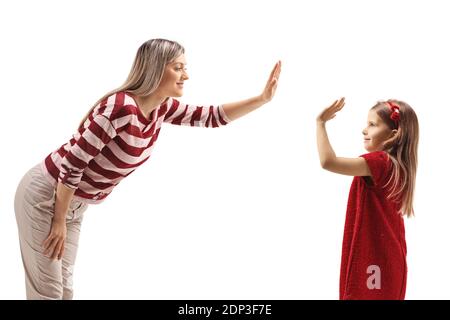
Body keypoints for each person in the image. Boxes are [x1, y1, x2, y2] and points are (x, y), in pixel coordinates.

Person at [14, 38, 282, 300]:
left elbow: (210, 117)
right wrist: (59, 219)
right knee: (47, 293)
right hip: (47, 196)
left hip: (73, 204)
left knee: (65, 292)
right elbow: (73, 162)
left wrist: (261, 99)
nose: (185, 76)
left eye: (185, 67)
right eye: (178, 67)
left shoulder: (160, 109)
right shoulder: (120, 107)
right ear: (155, 68)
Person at [316, 97, 419, 299]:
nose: (365, 130)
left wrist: (320, 123)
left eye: (372, 125)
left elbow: (328, 162)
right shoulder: (397, 167)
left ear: (393, 135)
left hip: (374, 260)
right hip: (387, 258)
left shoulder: (380, 162)